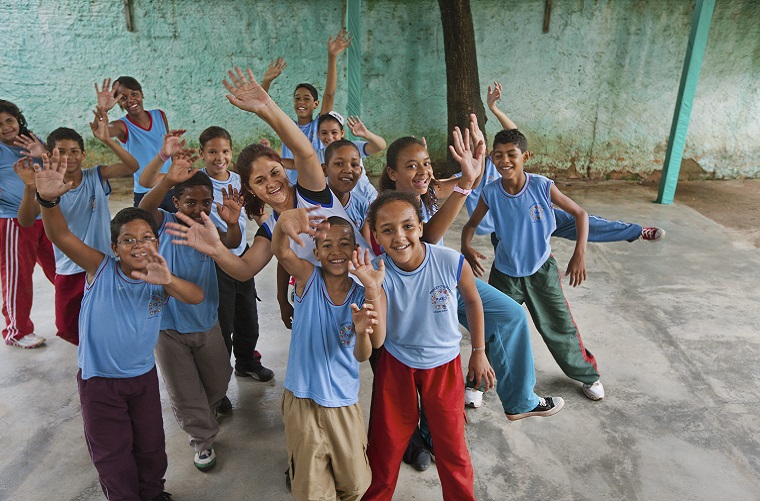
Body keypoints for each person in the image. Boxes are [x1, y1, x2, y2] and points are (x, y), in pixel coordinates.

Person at [379, 123, 564, 470]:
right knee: (432, 363)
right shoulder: (390, 207)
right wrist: (466, 183)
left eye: (426, 163)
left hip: (444, 278)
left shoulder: (429, 188)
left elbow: (467, 180)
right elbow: (427, 238)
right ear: (392, 173)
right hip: (414, 293)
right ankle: (430, 437)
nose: (422, 171)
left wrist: (475, 165)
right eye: (411, 165)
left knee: (510, 314)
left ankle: (520, 400)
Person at [35, 148, 203, 501]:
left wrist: (169, 280)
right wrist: (48, 202)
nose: (138, 245)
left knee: (151, 445)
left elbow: (196, 296)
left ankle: (152, 493)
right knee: (112, 454)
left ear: (157, 241)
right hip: (100, 383)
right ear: (114, 247)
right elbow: (61, 236)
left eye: (146, 238)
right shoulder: (100, 268)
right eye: (128, 240)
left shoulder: (162, 276)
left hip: (142, 378)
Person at [164, 67, 373, 331]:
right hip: (328, 304)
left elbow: (305, 152)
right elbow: (244, 269)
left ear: (284, 170)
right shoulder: (271, 228)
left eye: (275, 172)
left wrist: (266, 108)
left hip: (368, 289)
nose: (272, 183)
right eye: (260, 180)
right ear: (250, 189)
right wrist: (216, 249)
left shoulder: (311, 191)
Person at [361, 190, 495, 501]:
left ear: (421, 227)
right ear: (376, 236)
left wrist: (478, 351)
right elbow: (378, 339)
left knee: (452, 448)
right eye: (387, 230)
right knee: (385, 447)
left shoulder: (449, 261)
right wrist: (372, 289)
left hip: (444, 367)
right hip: (397, 364)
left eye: (408, 226)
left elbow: (473, 301)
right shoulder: (377, 272)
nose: (399, 237)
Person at [462, 128, 605, 401]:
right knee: (493, 328)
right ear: (492, 158)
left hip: (542, 271)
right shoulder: (491, 192)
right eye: (498, 155)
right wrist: (465, 245)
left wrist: (580, 253)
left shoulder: (542, 186)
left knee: (559, 327)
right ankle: (476, 384)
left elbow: (580, 214)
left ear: (525, 156)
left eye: (511, 154)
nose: (504, 161)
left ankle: (588, 375)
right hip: (504, 274)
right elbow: (471, 225)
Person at [465, 81, 664, 247]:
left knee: (586, 223)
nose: (477, 148)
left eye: (480, 142)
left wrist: (494, 108)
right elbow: (472, 186)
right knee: (522, 266)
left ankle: (636, 231)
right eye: (472, 144)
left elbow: (514, 136)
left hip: (534, 213)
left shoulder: (497, 160)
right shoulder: (467, 176)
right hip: (508, 229)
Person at [272, 209, 384, 501]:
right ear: (316, 253)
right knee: (311, 490)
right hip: (302, 399)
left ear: (355, 250)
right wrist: (282, 224)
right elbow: (281, 252)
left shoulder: (361, 295)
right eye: (327, 245)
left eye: (344, 244)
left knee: (356, 484)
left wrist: (362, 332)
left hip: (343, 402)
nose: (336, 251)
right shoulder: (308, 278)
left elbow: (363, 355)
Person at [139, 157, 242, 472]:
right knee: (184, 391)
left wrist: (233, 223)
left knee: (219, 378)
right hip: (167, 326)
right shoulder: (163, 223)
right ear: (175, 202)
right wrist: (168, 180)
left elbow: (232, 243)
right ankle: (202, 440)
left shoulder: (209, 228)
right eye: (190, 202)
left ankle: (205, 410)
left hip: (206, 320)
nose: (199, 208)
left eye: (205, 202)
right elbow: (144, 209)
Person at [14, 108, 139, 345]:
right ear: (50, 155)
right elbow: (26, 221)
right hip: (69, 268)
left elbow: (132, 166)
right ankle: (88, 356)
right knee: (69, 328)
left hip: (103, 262)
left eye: (74, 151)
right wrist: (31, 189)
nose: (69, 157)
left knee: (111, 322)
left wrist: (106, 140)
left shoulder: (96, 176)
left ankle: (104, 357)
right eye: (61, 152)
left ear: (83, 154)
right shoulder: (48, 187)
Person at [0, 100, 55, 348]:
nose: (5, 127)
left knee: (62, 269)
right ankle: (17, 330)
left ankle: (80, 312)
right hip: (14, 220)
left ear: (18, 119)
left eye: (9, 120)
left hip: (46, 215)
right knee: (18, 276)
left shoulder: (32, 142)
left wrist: (43, 153)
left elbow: (55, 170)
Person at [265, 30, 351, 185]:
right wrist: (266, 81)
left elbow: (329, 94)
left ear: (316, 104)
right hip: (291, 185)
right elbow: (264, 107)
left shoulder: (319, 124)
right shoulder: (288, 126)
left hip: (317, 185)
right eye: (297, 98)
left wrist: (332, 57)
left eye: (306, 99)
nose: (301, 102)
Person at [94, 76, 176, 211]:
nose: (130, 100)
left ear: (141, 94)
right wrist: (103, 109)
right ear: (119, 103)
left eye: (134, 94)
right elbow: (99, 131)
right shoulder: (121, 126)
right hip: (145, 191)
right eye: (123, 98)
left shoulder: (159, 115)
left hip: (170, 187)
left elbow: (169, 149)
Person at [312, 112, 384, 202]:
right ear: (318, 135)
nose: (329, 137)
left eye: (334, 132)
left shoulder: (354, 148)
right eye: (324, 133)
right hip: (342, 204)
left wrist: (366, 134)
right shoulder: (317, 157)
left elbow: (380, 146)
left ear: (342, 133)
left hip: (368, 199)